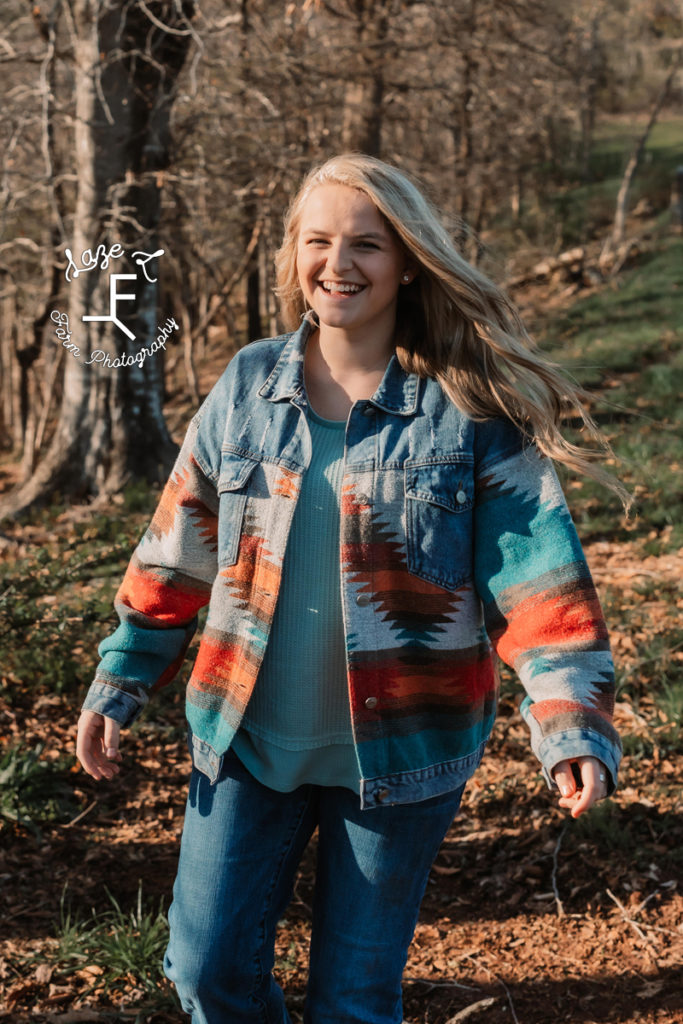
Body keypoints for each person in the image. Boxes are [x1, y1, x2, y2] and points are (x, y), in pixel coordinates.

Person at [77, 154, 624, 1024]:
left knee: (353, 1001)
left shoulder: (466, 408)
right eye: (319, 240)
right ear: (293, 253)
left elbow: (538, 581)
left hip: (406, 753)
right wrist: (123, 676)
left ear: (407, 260)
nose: (339, 264)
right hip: (246, 737)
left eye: (366, 244)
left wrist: (571, 723)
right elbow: (176, 550)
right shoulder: (247, 387)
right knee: (206, 973)